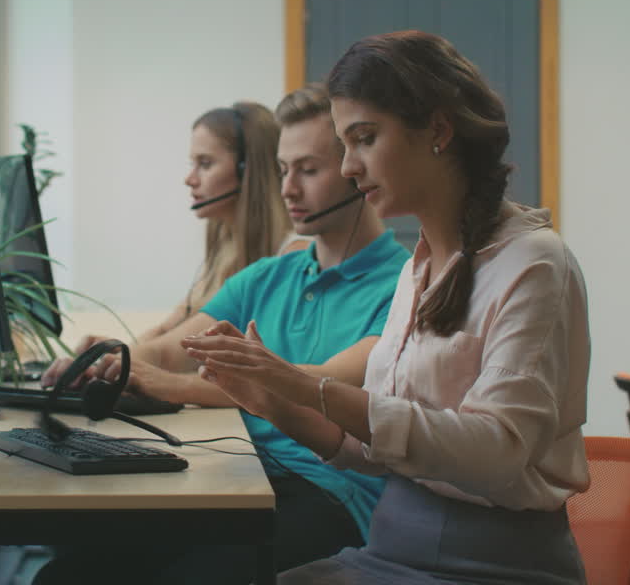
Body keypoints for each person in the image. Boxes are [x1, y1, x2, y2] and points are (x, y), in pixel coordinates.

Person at [184, 31, 592, 584]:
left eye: (365, 139)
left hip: (490, 568)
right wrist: (273, 403)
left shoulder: (532, 263)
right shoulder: (418, 267)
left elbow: (496, 454)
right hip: (393, 549)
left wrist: (307, 388)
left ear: (439, 131)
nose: (349, 166)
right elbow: (375, 449)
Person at [32, 84, 411, 585]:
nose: (288, 189)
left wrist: (171, 384)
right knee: (67, 576)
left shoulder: (403, 286)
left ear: (355, 172)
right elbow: (173, 349)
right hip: (241, 479)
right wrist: (116, 360)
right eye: (282, 170)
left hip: (329, 495)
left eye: (309, 170)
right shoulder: (268, 276)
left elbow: (319, 385)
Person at [43, 100, 291, 383]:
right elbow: (166, 333)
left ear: (248, 171)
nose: (189, 179)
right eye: (192, 164)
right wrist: (112, 356)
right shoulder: (224, 249)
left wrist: (122, 362)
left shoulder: (288, 257)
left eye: (205, 164)